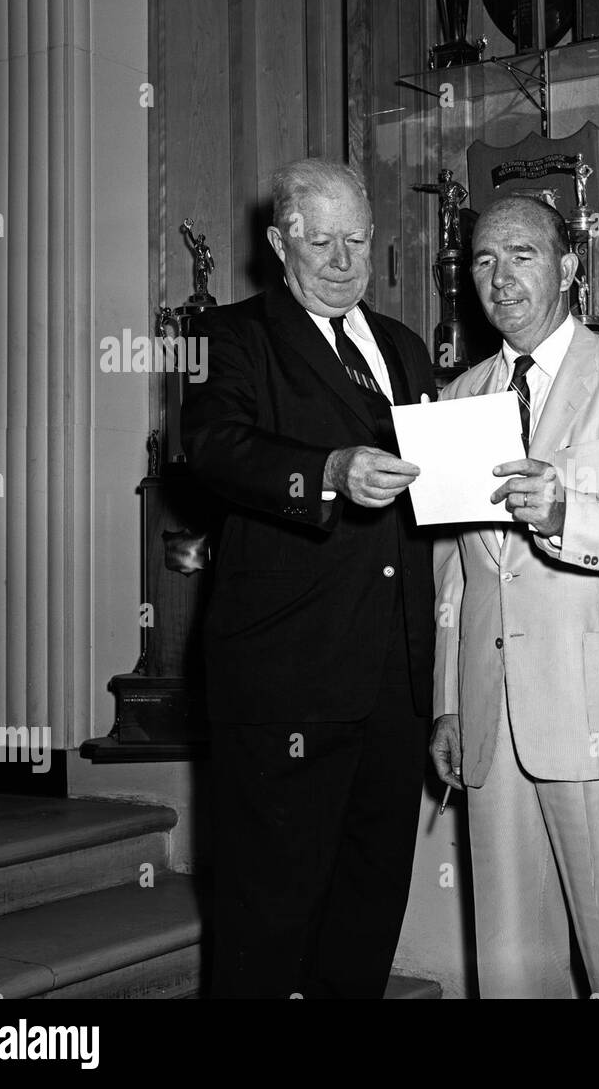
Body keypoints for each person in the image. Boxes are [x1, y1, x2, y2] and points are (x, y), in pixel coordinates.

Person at [429, 193, 599, 998]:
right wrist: (451, 696)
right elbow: (458, 567)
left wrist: (567, 512)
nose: (499, 276)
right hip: (494, 716)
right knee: (512, 967)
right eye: (482, 259)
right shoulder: (459, 394)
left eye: (521, 254)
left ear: (571, 268)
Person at [182, 158, 437, 999]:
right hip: (284, 684)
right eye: (319, 240)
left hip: (392, 689)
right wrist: (327, 470)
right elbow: (214, 450)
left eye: (355, 239)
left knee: (366, 917)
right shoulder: (230, 336)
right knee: (266, 922)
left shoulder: (402, 346)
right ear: (277, 243)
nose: (339, 259)